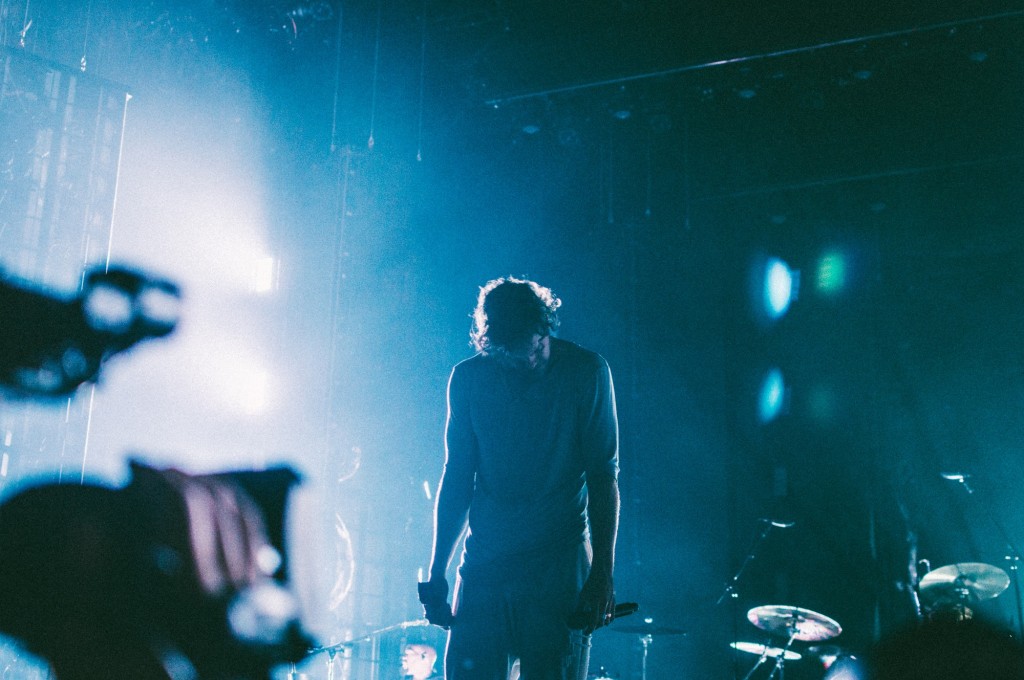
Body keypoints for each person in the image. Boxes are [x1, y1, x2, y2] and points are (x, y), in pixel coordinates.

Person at [417, 276, 620, 680]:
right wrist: (437, 569)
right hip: (487, 562)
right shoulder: (469, 378)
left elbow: (603, 478)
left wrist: (601, 574)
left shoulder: (586, 372)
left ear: (544, 329)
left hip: (558, 564)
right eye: (506, 355)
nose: (520, 364)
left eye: (528, 352)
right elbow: (457, 478)